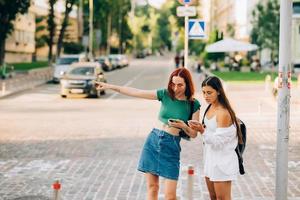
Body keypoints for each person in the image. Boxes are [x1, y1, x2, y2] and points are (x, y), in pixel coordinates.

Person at [95, 67, 201, 200]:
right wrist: (109, 86)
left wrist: (183, 126)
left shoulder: (193, 104)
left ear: (187, 85)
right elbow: (136, 92)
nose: (175, 88)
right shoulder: (165, 94)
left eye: (180, 85)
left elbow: (194, 134)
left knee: (170, 196)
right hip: (153, 141)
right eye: (173, 84)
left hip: (171, 147)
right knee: (152, 187)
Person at [188, 76, 243, 200]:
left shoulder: (223, 113)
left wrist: (202, 130)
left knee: (222, 198)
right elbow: (210, 135)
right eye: (203, 92)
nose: (206, 96)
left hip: (223, 162)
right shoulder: (209, 108)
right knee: (213, 197)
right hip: (210, 160)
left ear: (218, 91)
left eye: (209, 92)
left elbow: (218, 142)